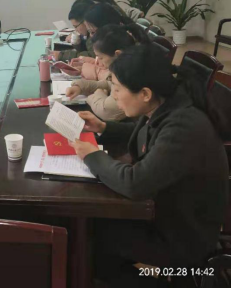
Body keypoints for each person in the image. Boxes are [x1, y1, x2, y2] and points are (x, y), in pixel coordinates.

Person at [69, 44, 228, 286]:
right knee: (90, 230)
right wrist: (104, 127)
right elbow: (145, 133)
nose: (114, 95)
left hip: (184, 236)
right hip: (168, 214)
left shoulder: (184, 126)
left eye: (118, 89)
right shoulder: (167, 105)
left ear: (145, 93)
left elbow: (134, 183)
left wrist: (92, 156)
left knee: (90, 238)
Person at [66, 24, 150, 121]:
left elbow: (106, 111)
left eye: (101, 57)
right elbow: (109, 84)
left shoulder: (131, 73)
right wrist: (80, 86)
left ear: (117, 54)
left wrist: (94, 96)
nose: (97, 62)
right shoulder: (124, 66)